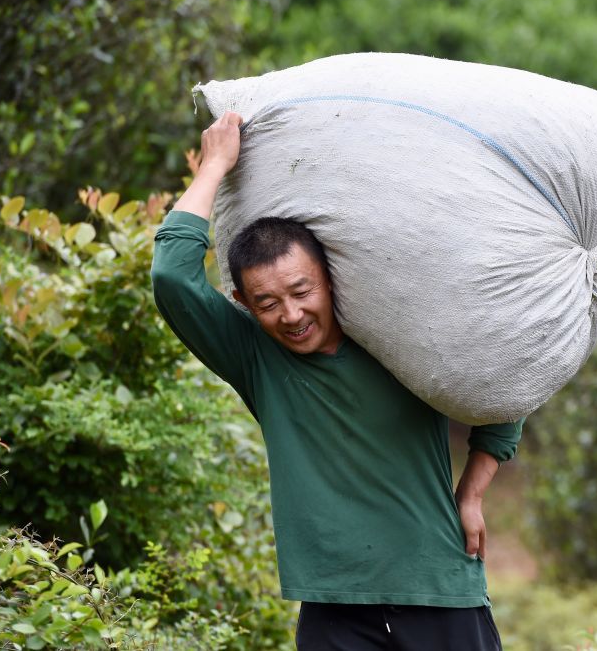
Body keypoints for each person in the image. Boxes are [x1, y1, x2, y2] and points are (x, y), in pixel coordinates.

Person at [151, 111, 523, 650]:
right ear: (243, 305)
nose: (292, 314)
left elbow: (510, 372)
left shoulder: (395, 338)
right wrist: (214, 166)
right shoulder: (256, 358)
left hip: (441, 590)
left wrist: (474, 488)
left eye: (303, 291)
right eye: (268, 303)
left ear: (330, 279)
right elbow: (171, 274)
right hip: (333, 608)